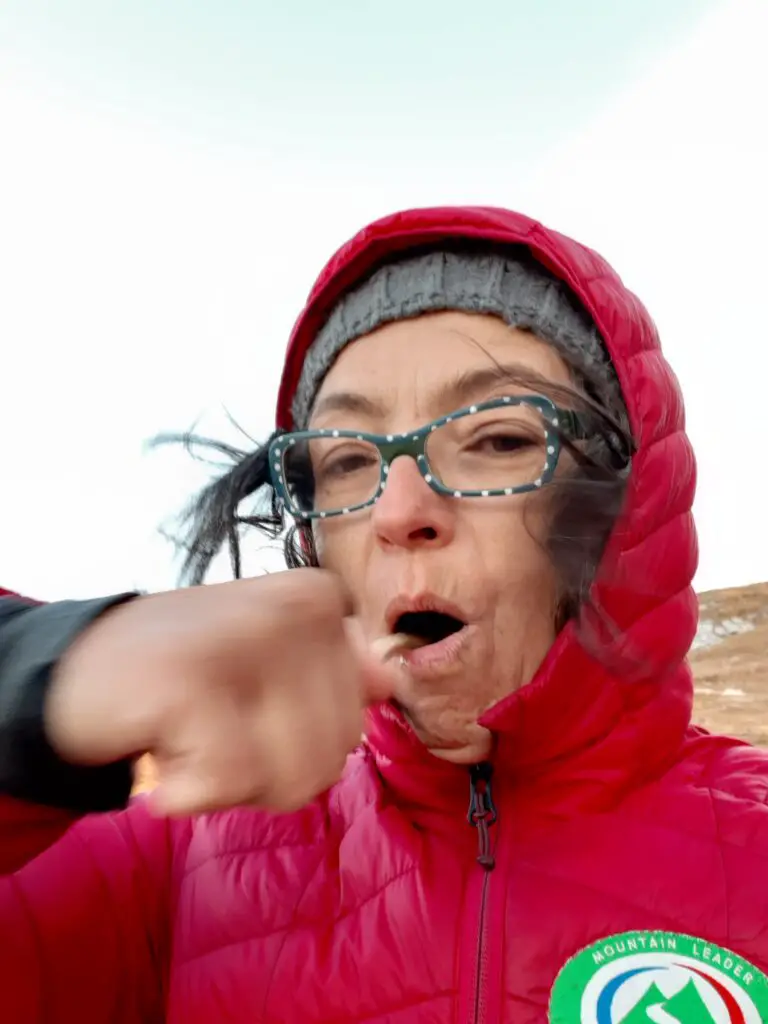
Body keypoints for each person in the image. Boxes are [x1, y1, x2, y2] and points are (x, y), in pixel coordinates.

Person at [2, 205, 768, 1024]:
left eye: (501, 439)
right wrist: (34, 683)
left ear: (627, 501)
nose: (398, 510)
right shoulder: (176, 859)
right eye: (347, 459)